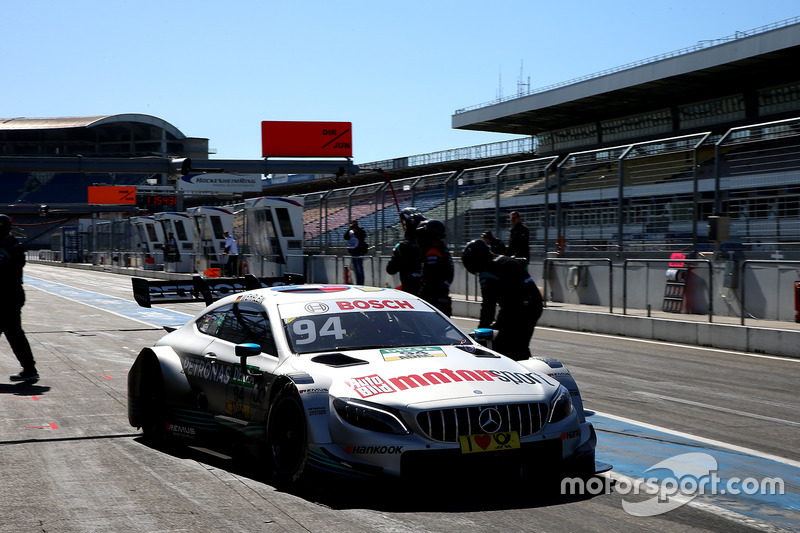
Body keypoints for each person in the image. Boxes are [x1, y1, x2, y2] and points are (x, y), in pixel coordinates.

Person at [462, 238, 543, 361]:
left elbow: (488, 306)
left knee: (503, 348)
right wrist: (497, 324)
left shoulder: (487, 270)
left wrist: (480, 332)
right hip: (533, 305)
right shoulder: (502, 260)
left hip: (519, 308)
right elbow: (509, 300)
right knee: (519, 345)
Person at [0, 215, 39, 381]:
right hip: (11, 295)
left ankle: (30, 369)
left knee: (15, 334)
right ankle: (29, 369)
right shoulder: (13, 245)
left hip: (8, 296)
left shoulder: (12, 246)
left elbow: (9, 270)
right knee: (15, 334)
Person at [415, 219, 454, 316]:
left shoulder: (433, 252)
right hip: (442, 297)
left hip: (434, 300)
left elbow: (430, 278)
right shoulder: (443, 249)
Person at [385, 207, 425, 295]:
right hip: (428, 294)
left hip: (409, 293)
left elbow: (390, 269)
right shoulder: (427, 246)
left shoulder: (401, 247)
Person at [343, 220, 367, 285]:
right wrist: (349, 229)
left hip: (359, 251)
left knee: (359, 267)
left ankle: (361, 282)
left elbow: (361, 237)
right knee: (355, 268)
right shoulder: (350, 232)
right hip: (353, 251)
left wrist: (355, 231)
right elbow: (346, 237)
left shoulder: (361, 230)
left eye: (354, 224)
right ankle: (358, 282)